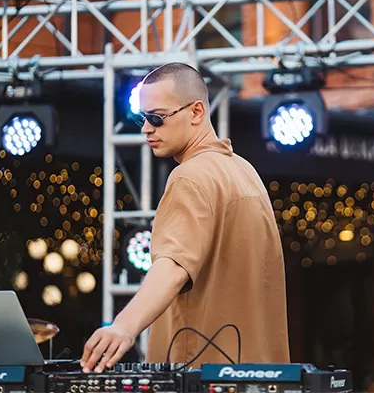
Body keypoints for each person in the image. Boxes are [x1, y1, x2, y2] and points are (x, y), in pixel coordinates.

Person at [80, 63, 290, 373]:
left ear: (196, 111)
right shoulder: (246, 172)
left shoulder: (190, 176)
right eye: (142, 118)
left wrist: (123, 326)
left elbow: (175, 264)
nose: (146, 128)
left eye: (156, 118)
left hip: (200, 372)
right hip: (259, 374)